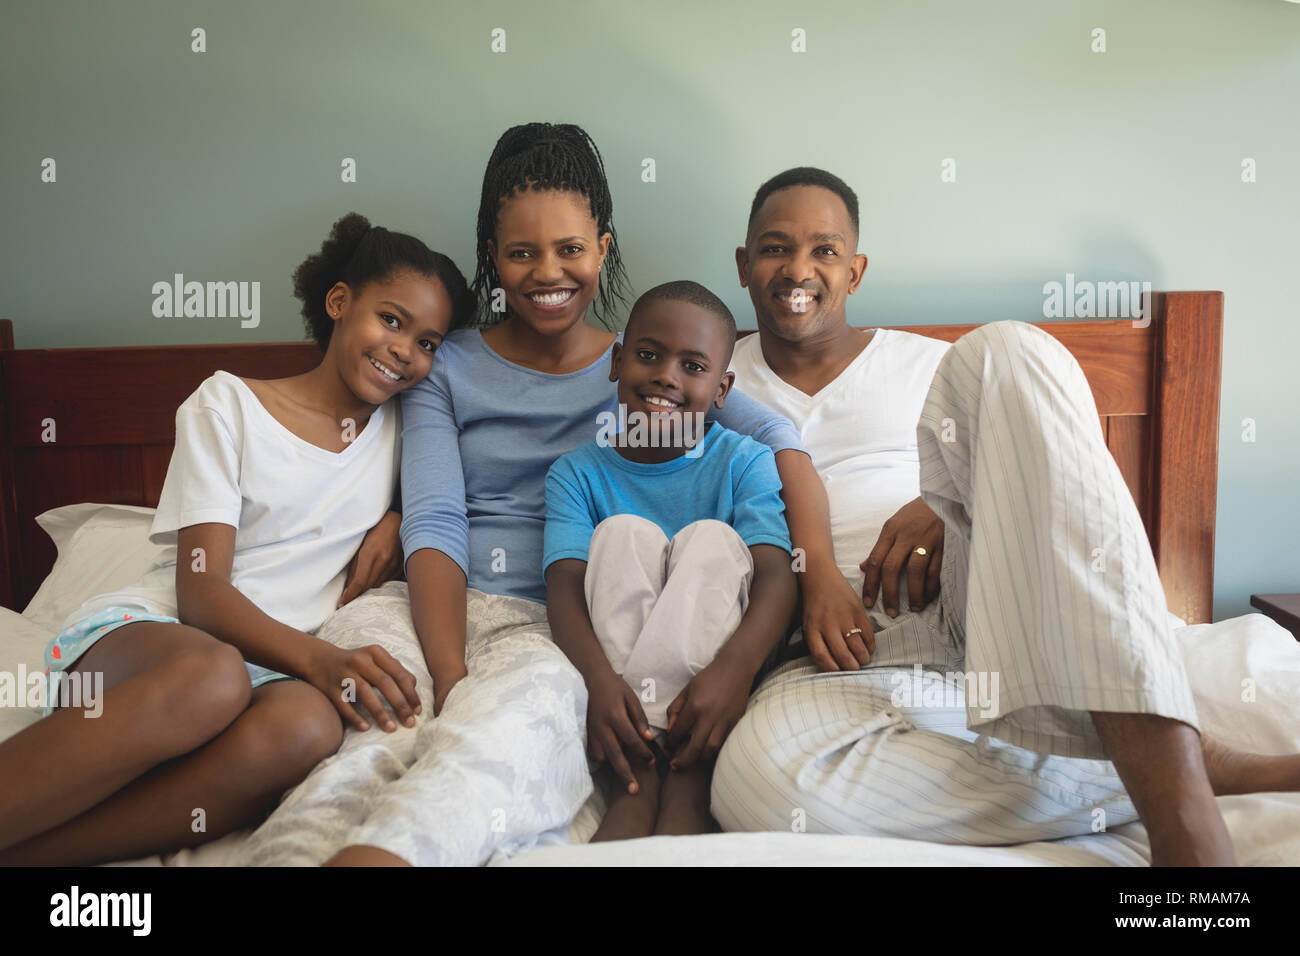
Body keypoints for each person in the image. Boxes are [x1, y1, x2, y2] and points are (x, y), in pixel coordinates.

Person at [240, 123, 841, 867]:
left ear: (603, 248)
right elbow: (437, 519)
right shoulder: (447, 363)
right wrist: (447, 668)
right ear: (493, 257)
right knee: (359, 744)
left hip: (550, 621)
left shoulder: (646, 360)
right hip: (428, 606)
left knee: (484, 747)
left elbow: (781, 441)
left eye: (570, 249)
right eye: (520, 252)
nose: (546, 273)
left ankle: (388, 855)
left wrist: (822, 574)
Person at [710, 167, 1300, 866]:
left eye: (825, 251)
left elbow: (1064, 485)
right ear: (745, 265)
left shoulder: (938, 366)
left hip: (985, 615)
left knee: (1010, 349)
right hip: (822, 659)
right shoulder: (700, 379)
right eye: (776, 248)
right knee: (762, 783)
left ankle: (1185, 830)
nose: (798, 269)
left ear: (857, 270)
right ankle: (1187, 770)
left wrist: (944, 496)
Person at [0, 212, 474, 865]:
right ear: (340, 302)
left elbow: (448, 501)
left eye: (428, 342)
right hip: (159, 638)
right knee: (212, 673)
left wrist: (397, 517)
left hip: (267, 671)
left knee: (309, 725)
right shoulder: (227, 406)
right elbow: (201, 592)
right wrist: (319, 661)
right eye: (391, 320)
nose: (405, 350)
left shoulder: (406, 430)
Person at [544, 280, 797, 840]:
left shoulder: (745, 461)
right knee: (623, 533)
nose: (666, 376)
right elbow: (563, 588)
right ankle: (637, 769)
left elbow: (778, 574)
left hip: (716, 677)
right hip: (620, 685)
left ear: (723, 388)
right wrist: (598, 682)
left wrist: (735, 670)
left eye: (693, 365)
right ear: (616, 362)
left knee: (710, 539)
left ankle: (688, 769)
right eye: (649, 355)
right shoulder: (577, 472)